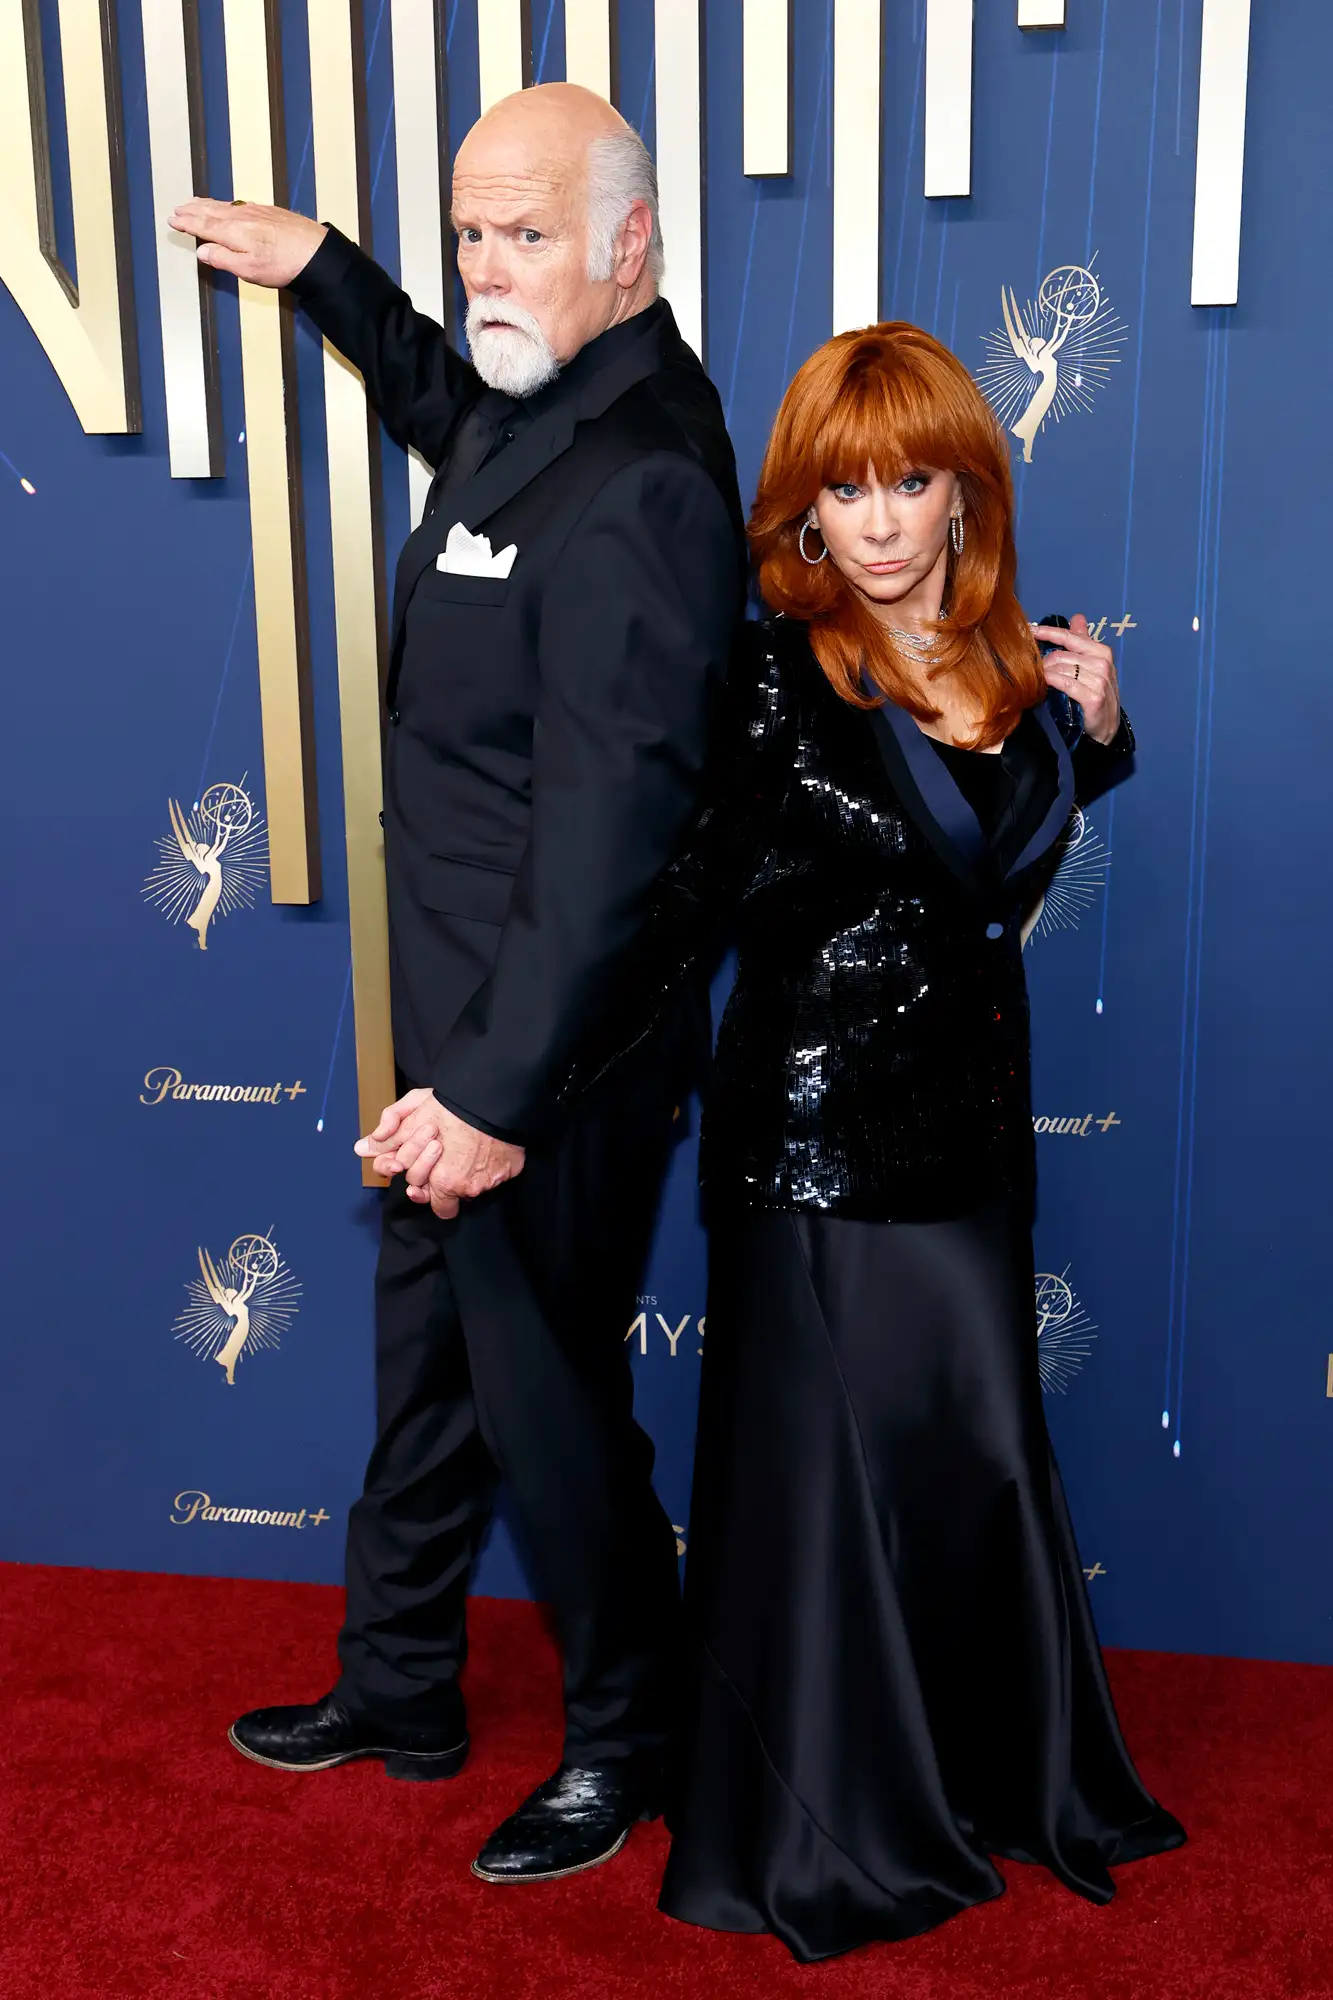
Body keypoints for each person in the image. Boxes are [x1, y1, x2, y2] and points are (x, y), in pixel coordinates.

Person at [168, 82, 744, 1885]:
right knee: (430, 1361)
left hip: (546, 1054)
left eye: (529, 236)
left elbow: (610, 832)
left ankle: (630, 1741)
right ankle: (401, 1685)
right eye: (469, 232)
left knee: (545, 1399)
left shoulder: (647, 472)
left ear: (630, 249)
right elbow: (452, 404)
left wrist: (493, 1096)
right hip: (454, 1033)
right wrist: (329, 272)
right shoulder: (544, 394)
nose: (489, 269)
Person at [637, 324, 1184, 1960]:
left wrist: (1102, 735)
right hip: (809, 1157)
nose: (878, 522)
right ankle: (825, 1819)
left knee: (984, 1465)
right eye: (844, 488)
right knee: (829, 1503)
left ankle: (994, 1777)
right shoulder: (766, 676)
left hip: (971, 1153)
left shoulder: (1026, 674)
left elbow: (991, 854)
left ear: (966, 494)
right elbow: (674, 914)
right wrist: (508, 1085)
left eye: (912, 482)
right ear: (804, 511)